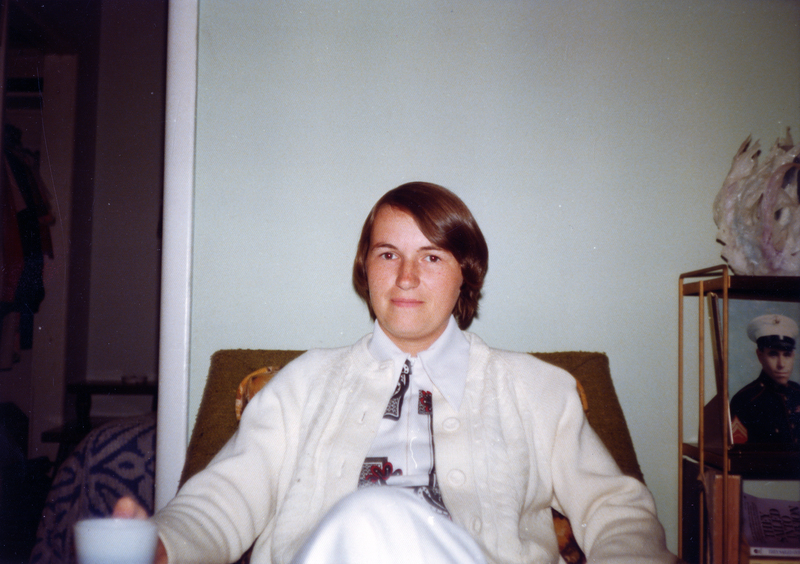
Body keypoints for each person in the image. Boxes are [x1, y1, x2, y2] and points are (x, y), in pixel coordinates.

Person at [115, 182, 675, 563]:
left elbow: (617, 511)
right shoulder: (302, 384)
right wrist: (159, 545)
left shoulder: (537, 390)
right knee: (368, 516)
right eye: (388, 255)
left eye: (431, 257)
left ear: (465, 276)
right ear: (366, 271)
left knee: (377, 511)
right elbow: (224, 498)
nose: (406, 277)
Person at [730, 313, 800, 446]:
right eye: (773, 354)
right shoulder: (745, 400)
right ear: (760, 356)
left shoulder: (798, 392)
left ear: (794, 356)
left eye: (787, 355)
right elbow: (739, 457)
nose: (781, 364)